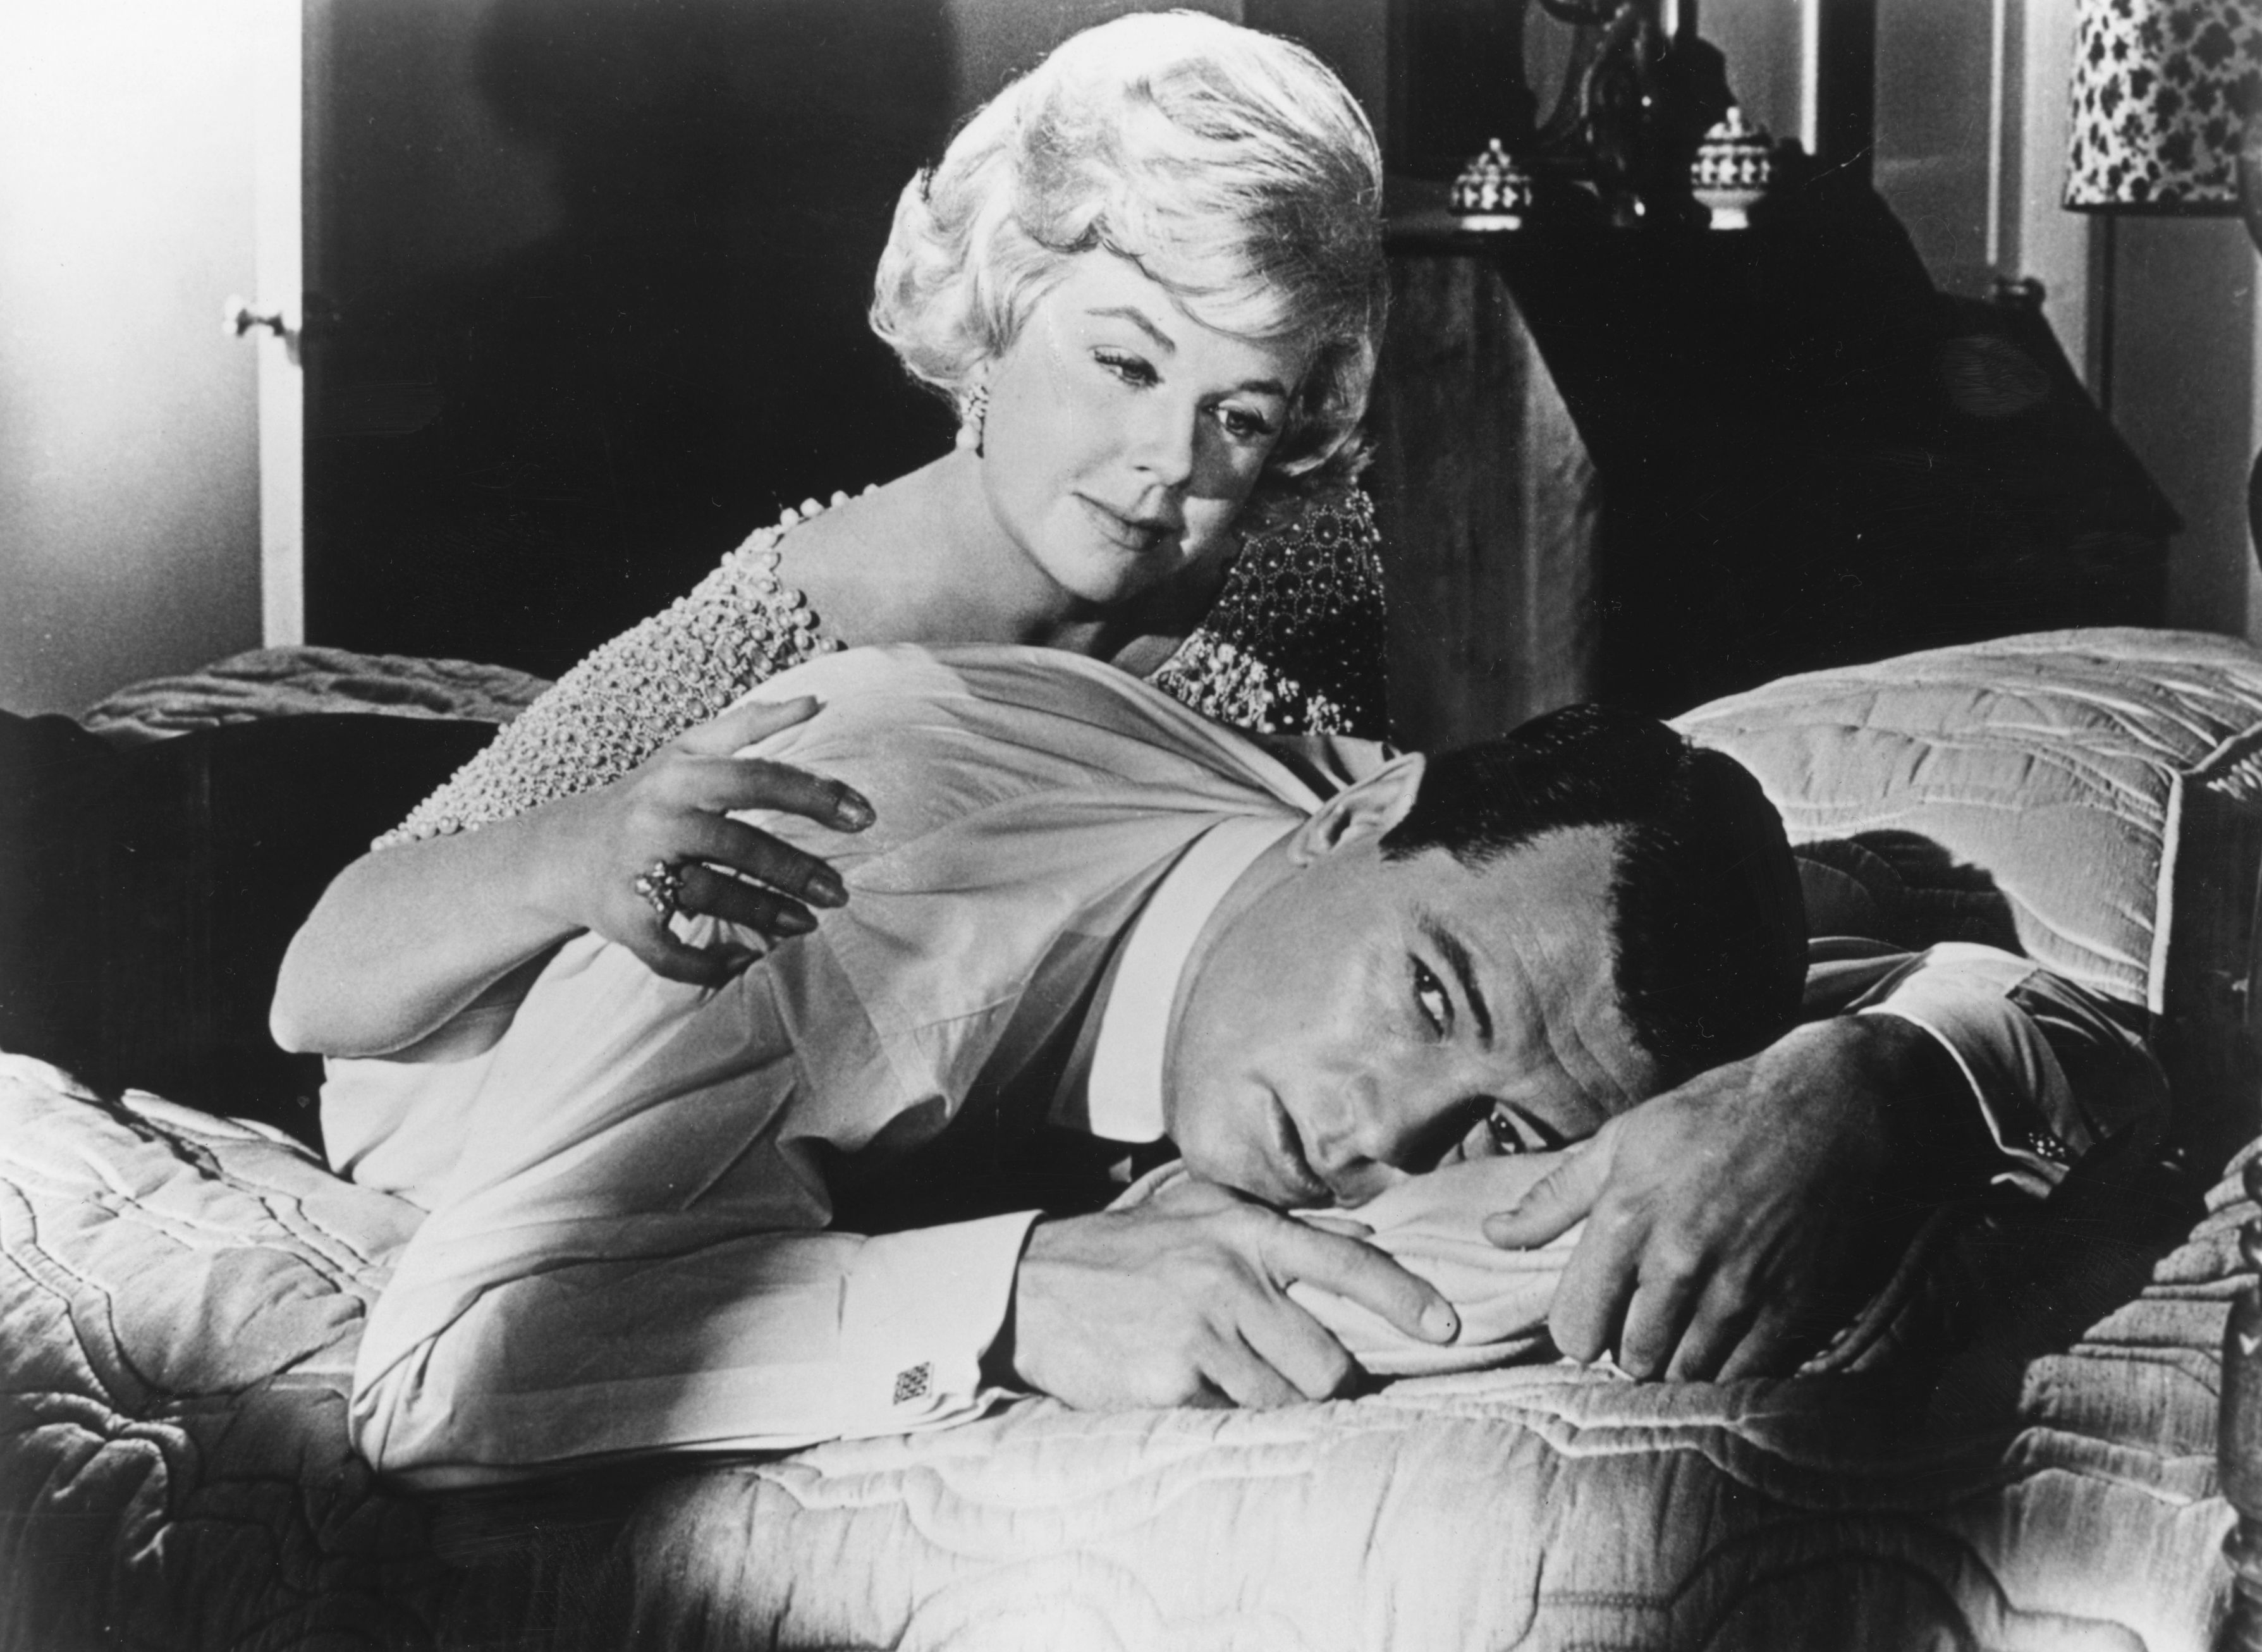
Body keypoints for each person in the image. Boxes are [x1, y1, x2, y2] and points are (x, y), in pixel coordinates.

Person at [315, 645, 2160, 1486]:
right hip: (431, 1006)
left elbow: (2037, 1009)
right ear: (1362, 813)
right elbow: (441, 1370)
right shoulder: (829, 894)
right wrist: (1011, 1291)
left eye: (1499, 1123)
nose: (1382, 1135)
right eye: (1424, 995)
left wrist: (1880, 1082)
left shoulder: (1410, 861)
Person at [271, 11, 1398, 1061]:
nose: (1170, 458)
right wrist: (580, 846)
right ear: (997, 308)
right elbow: (315, 988)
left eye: (1238, 416)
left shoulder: (1306, 575)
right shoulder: (783, 631)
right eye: (1125, 364)